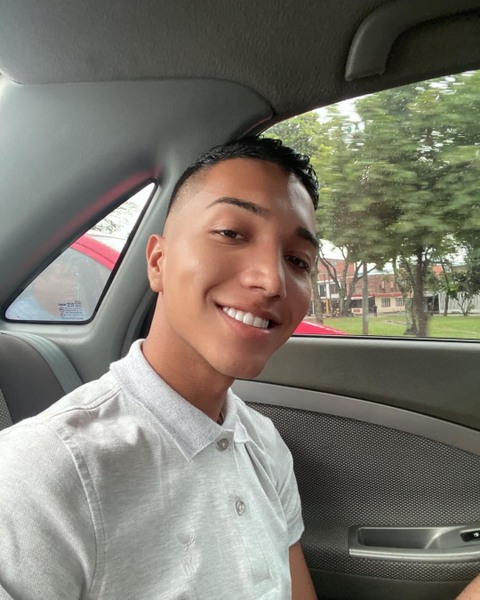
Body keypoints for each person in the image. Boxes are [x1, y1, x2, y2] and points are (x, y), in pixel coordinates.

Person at [0, 137, 319, 599]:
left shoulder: (265, 443)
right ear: (157, 261)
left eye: (297, 260)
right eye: (231, 233)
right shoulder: (44, 470)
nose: (272, 281)